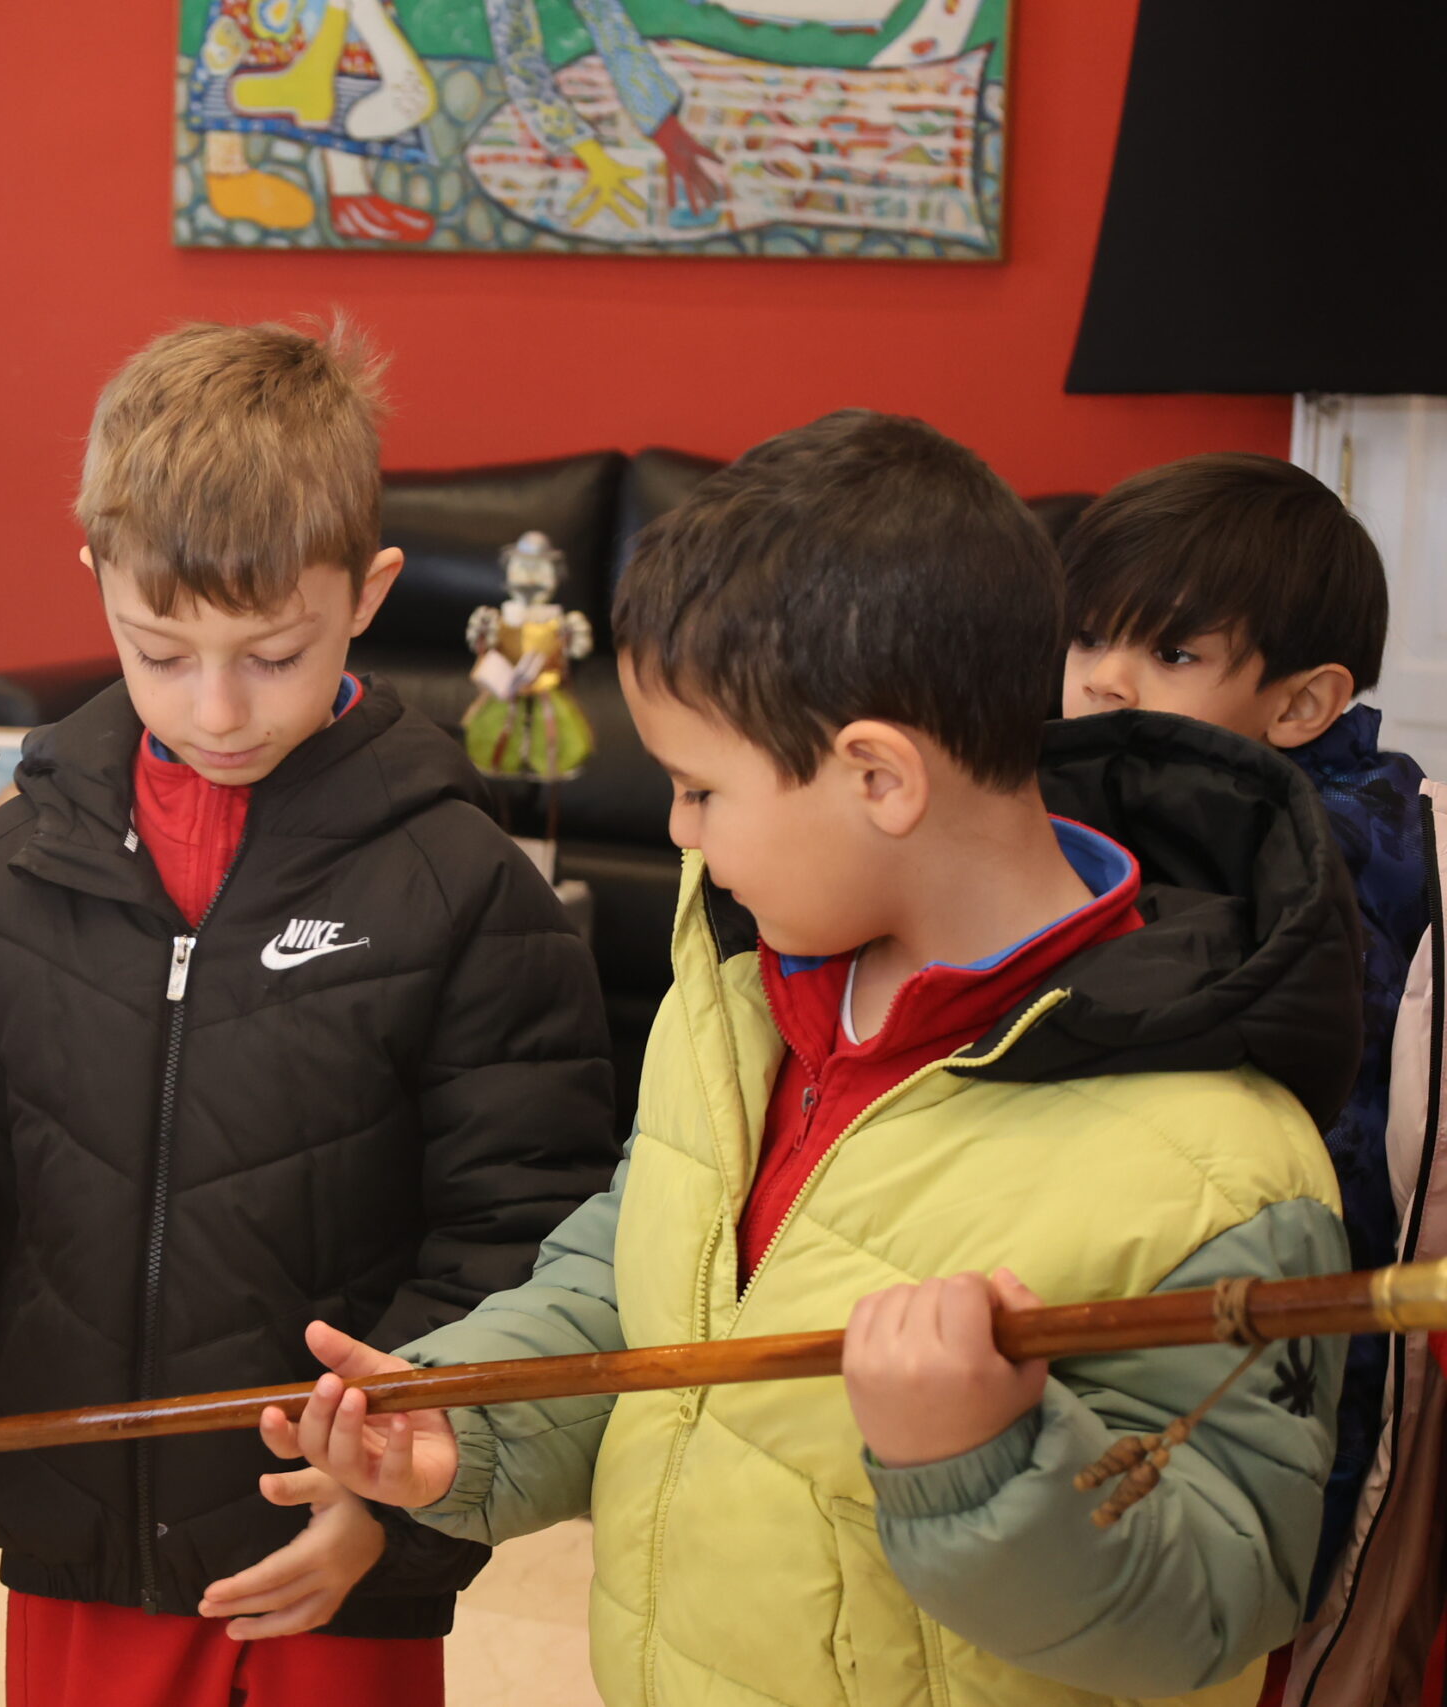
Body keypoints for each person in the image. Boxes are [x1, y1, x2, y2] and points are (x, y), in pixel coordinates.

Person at [274, 410, 1364, 1707]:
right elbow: (639, 1269)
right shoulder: (744, 979)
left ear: (878, 778)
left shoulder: (1227, 1170)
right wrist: (477, 1413)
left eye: (701, 788)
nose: (679, 831)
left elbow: (1215, 1604)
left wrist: (976, 1456)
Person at [0, 319, 614, 1707]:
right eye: (160, 650)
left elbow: (515, 1234)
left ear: (368, 593)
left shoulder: (464, 886)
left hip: (333, 1551)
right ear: (98, 581)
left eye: (272, 653)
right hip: (80, 1534)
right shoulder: (15, 850)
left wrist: (392, 1505)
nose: (217, 708)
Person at [1059, 453, 1442, 1705]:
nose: (1103, 679)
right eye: (1089, 637)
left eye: (1170, 654)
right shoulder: (1142, 807)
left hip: (1275, 1332)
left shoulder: (1305, 868)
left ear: (1301, 703)